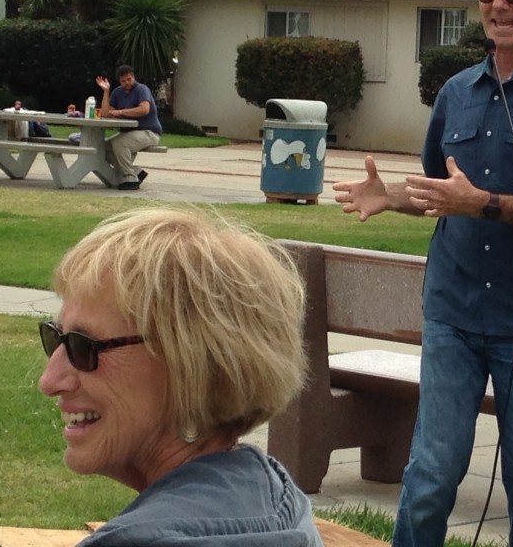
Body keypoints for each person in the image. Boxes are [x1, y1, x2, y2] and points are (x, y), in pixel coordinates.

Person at [333, 0, 513, 547]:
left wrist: (484, 203)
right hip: (453, 312)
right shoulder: (456, 92)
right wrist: (391, 196)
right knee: (431, 473)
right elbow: (440, 192)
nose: (498, 5)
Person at [37, 207, 322, 546]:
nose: (49, 381)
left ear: (192, 365)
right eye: (56, 337)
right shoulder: (274, 496)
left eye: (84, 347)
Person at [95, 65, 162, 190]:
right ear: (119, 81)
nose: (126, 83)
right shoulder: (118, 92)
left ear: (133, 77)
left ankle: (130, 177)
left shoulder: (142, 89)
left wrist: (120, 112)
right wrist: (106, 91)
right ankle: (136, 171)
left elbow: (144, 109)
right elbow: (105, 114)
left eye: (129, 79)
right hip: (129, 132)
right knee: (101, 148)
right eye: (123, 81)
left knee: (120, 143)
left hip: (148, 132)